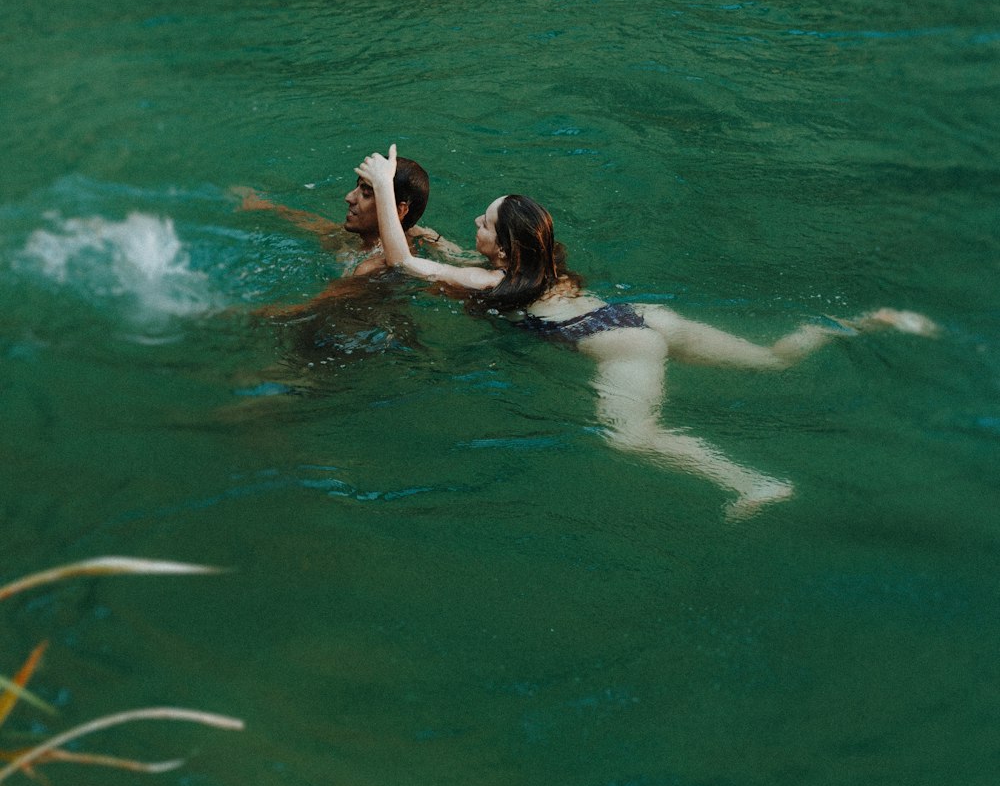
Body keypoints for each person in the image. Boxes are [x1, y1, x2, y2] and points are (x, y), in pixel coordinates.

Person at [356, 145, 938, 521]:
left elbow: (407, 264)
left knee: (630, 439)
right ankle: (867, 323)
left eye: (483, 223)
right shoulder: (535, 270)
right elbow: (440, 260)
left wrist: (386, 185)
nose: (474, 225)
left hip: (619, 343)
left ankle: (753, 482)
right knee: (771, 359)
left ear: (504, 248)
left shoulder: (491, 284)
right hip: (642, 315)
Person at [235, 156, 464, 323]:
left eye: (365, 193)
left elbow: (305, 309)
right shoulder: (382, 238)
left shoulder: (372, 267)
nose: (348, 198)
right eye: (356, 188)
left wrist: (238, 314)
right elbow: (320, 228)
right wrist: (266, 206)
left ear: (399, 210)